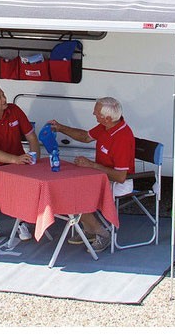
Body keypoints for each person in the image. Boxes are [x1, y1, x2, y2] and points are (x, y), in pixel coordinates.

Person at [49, 96, 135, 252]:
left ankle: (102, 233)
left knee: (73, 194)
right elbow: (85, 137)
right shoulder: (107, 126)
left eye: (96, 112)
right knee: (67, 186)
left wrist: (91, 165)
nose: (93, 113)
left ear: (107, 118)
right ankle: (89, 229)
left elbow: (121, 177)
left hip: (118, 182)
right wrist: (60, 128)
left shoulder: (122, 137)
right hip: (101, 176)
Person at [0, 83, 41, 245]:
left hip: (17, 162)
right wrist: (15, 159)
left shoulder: (14, 110)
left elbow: (32, 137)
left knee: (24, 178)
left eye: (3, 95)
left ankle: (22, 222)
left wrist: (35, 159)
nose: (4, 99)